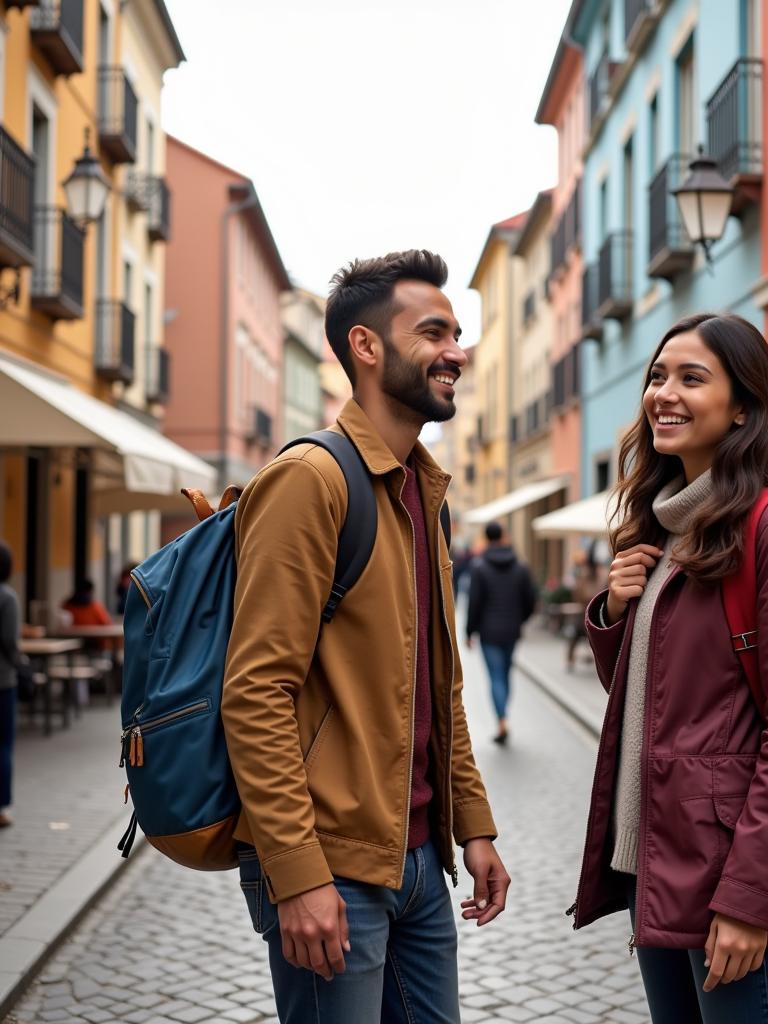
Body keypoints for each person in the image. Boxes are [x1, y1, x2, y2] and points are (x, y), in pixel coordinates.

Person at [222, 249, 510, 1023]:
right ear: (367, 347)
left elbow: (437, 685)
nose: (456, 350)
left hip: (419, 861)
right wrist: (296, 871)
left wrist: (473, 825)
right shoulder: (312, 480)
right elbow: (255, 692)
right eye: (434, 332)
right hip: (333, 865)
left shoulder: (424, 488)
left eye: (457, 332)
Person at [571, 314, 768, 1024]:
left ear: (743, 406)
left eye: (691, 378)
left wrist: (749, 899)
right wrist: (615, 616)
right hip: (656, 863)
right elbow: (663, 702)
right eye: (659, 376)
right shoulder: (668, 526)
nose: (663, 393)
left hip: (728, 870)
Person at [465, 522, 537, 745]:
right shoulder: (521, 566)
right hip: (512, 630)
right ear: (504, 536)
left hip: (488, 631)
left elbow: (474, 603)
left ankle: (501, 720)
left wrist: (469, 631)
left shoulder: (479, 567)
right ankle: (504, 715)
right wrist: (520, 620)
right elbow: (531, 600)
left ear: (486, 538)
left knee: (495, 676)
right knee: (505, 674)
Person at [0, 541, 21, 828]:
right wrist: (23, 667)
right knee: (2, 745)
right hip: (3, 681)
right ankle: (1, 809)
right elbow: (9, 642)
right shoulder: (7, 598)